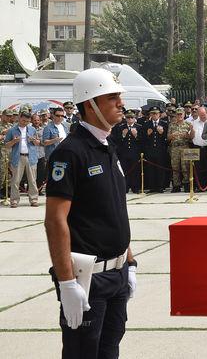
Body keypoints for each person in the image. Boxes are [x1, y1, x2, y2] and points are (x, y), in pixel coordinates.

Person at [44, 67, 136, 358]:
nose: (121, 103)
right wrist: (67, 282)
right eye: (112, 98)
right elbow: (55, 220)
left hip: (117, 274)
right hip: (88, 280)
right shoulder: (71, 152)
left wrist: (129, 263)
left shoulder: (107, 147)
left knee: (109, 352)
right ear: (90, 104)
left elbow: (114, 210)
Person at [4, 111, 41, 207]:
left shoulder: (32, 129)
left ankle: (33, 199)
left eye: (27, 121)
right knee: (15, 180)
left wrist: (34, 140)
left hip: (31, 156)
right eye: (24, 120)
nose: (25, 123)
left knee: (32, 180)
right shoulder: (12, 130)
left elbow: (38, 143)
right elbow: (6, 145)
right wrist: (14, 141)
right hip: (17, 157)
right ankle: (14, 200)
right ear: (19, 118)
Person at [109, 110, 142, 193]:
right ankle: (125, 187)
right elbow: (116, 141)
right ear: (125, 118)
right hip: (124, 152)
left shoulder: (139, 127)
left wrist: (136, 135)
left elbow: (142, 141)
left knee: (135, 170)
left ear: (135, 118)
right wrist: (123, 135)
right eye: (128, 117)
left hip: (135, 152)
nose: (130, 119)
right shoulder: (121, 127)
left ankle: (135, 187)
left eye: (132, 117)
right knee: (125, 170)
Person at [142, 106, 169, 193]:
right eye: (152, 113)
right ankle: (152, 187)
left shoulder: (164, 124)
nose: (154, 115)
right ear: (150, 114)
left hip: (160, 150)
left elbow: (167, 139)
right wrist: (147, 134)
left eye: (156, 113)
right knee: (151, 169)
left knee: (160, 169)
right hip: (150, 150)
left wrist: (162, 133)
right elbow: (142, 139)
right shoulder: (146, 124)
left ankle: (160, 186)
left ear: (159, 114)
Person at [167, 108, 194, 193]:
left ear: (184, 114)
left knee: (185, 166)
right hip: (175, 148)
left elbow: (192, 137)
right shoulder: (172, 125)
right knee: (175, 167)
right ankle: (176, 185)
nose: (179, 116)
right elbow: (167, 138)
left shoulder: (188, 124)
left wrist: (189, 133)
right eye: (178, 114)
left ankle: (186, 184)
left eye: (181, 114)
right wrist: (172, 136)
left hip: (185, 147)